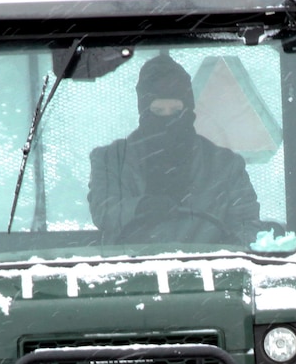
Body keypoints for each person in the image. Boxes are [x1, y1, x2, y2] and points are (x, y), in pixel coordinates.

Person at [88, 54, 261, 246]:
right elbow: (104, 211)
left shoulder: (225, 166)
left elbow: (247, 223)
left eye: (176, 111)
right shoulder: (111, 160)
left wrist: (229, 247)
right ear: (143, 112)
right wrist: (141, 207)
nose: (167, 120)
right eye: (158, 111)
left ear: (189, 110)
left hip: (210, 269)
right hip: (131, 269)